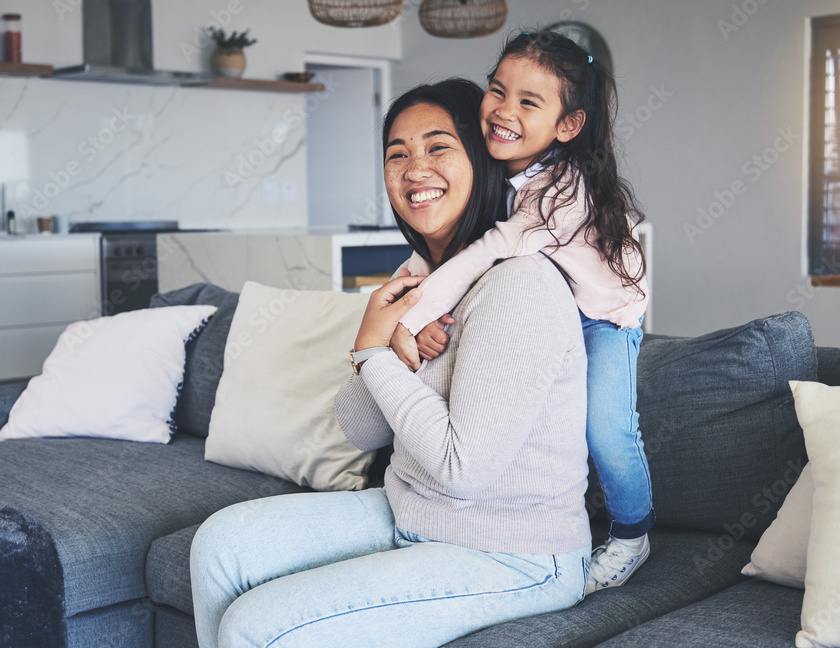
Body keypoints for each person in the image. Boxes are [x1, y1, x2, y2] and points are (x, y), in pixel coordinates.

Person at [189, 78, 591, 648]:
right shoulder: (419, 280)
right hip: (410, 514)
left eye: (437, 147)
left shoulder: (518, 284)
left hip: (514, 553)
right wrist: (372, 342)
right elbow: (359, 429)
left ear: (480, 158)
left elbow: (461, 471)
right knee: (218, 547)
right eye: (396, 154)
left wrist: (374, 352)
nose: (413, 168)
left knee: (257, 628)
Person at [391, 31, 654, 595]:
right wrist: (410, 293)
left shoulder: (564, 191)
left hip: (604, 319)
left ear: (568, 126)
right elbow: (453, 241)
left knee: (606, 431)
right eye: (497, 90)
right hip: (543, 304)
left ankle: (632, 533)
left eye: (528, 103)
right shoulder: (500, 163)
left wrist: (407, 320)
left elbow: (484, 251)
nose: (503, 111)